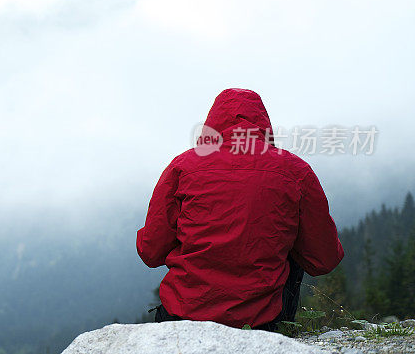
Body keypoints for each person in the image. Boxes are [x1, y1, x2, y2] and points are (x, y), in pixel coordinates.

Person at [136, 88, 344, 331]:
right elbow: (324, 259)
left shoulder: (182, 166)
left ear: (211, 123)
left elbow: (150, 251)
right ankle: (280, 330)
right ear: (264, 123)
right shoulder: (296, 171)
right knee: (291, 243)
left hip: (182, 318)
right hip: (264, 323)